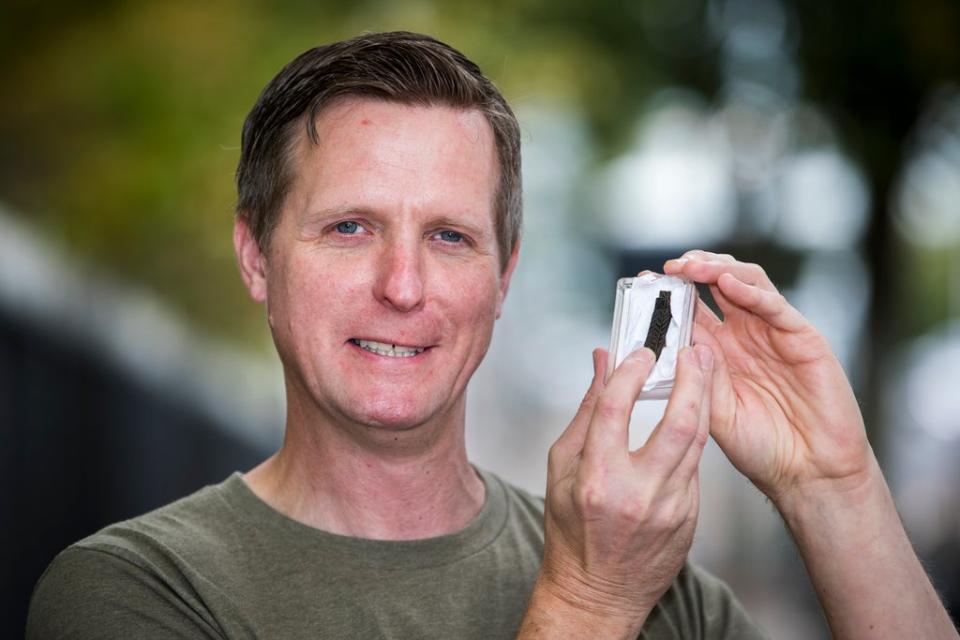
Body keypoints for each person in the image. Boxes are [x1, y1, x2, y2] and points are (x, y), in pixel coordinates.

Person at [26, 31, 956, 639]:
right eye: (350, 227)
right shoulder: (130, 595)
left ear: (503, 278)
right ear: (256, 257)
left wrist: (833, 485)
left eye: (450, 237)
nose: (403, 286)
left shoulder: (659, 589)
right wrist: (588, 605)